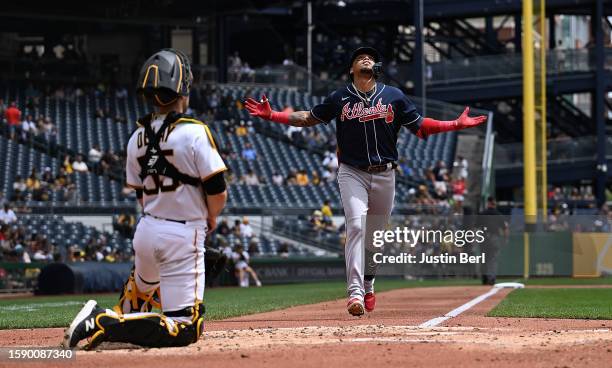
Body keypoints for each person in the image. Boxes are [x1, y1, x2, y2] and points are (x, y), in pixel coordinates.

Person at [245, 46, 487, 316]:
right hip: (352, 172)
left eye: (370, 57)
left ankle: (369, 282)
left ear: (376, 67)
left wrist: (454, 125)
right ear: (351, 69)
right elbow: (307, 118)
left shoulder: (393, 96)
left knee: (375, 239)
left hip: (386, 173)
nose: (365, 58)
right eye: (359, 57)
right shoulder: (340, 97)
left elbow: (421, 126)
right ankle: (355, 292)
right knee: (357, 226)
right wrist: (272, 115)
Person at [63, 48, 228, 350]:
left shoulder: (135, 138)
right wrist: (211, 218)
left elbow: (141, 194)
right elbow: (217, 189)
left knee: (143, 289)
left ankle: (121, 316)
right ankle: (103, 321)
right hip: (183, 233)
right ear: (183, 88)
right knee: (185, 328)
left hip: (147, 230)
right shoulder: (195, 132)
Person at [478, 197, 509, 285]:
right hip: (494, 238)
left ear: (488, 203)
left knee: (484, 259)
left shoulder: (482, 214)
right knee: (493, 259)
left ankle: (484, 279)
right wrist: (505, 239)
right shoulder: (498, 214)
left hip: (484, 238)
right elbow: (505, 228)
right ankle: (491, 278)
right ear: (494, 204)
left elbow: (475, 227)